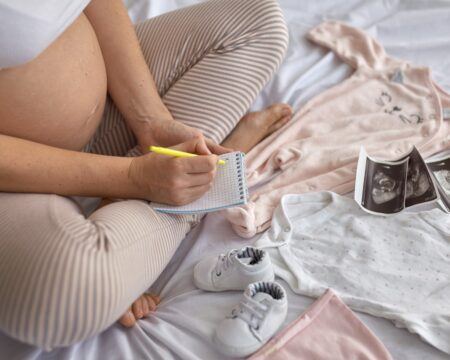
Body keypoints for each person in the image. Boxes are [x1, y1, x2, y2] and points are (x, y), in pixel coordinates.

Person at [0, 0, 290, 350]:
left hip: (111, 104)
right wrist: (131, 177)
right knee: (65, 291)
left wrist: (150, 120)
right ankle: (192, 194)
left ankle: (136, 229)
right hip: (16, 187)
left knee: (256, 21)